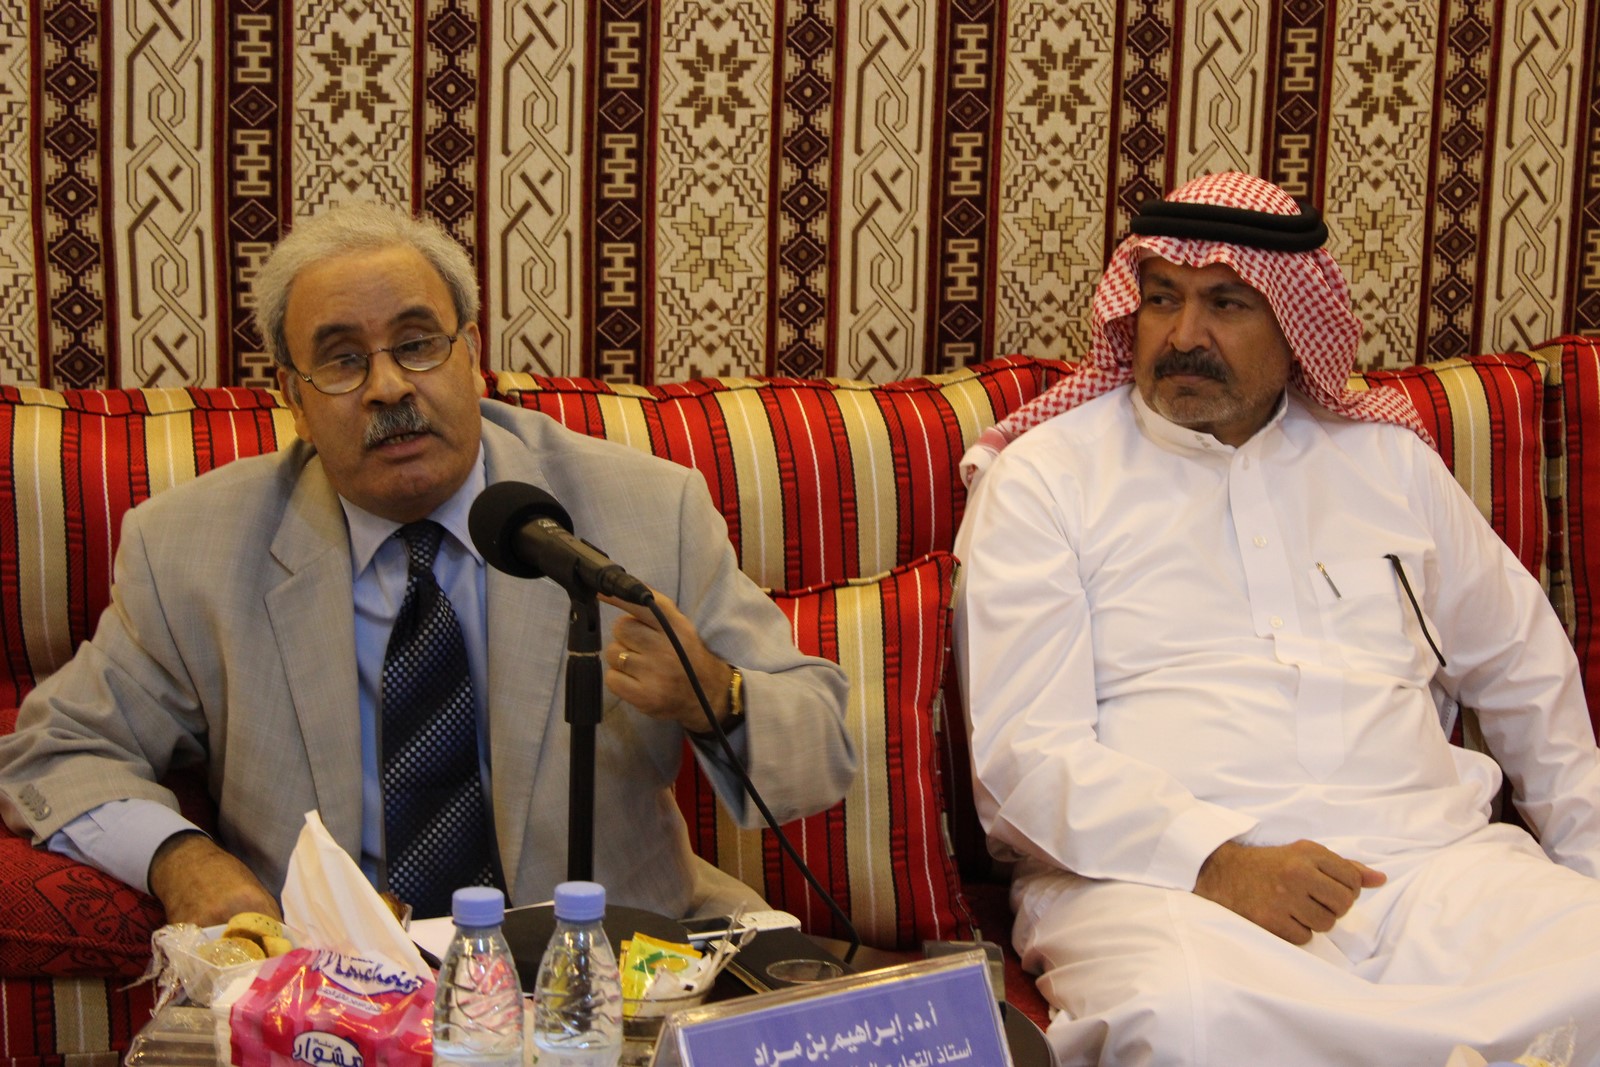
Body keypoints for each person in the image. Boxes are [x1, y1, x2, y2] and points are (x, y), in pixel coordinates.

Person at [0, 200, 855, 927]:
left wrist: (713, 693)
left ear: (470, 354)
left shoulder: (643, 508)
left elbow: (822, 746)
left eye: (417, 343)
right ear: (292, 397)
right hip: (341, 989)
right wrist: (181, 859)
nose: (388, 387)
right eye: (342, 359)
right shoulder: (190, 547)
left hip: (621, 964)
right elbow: (52, 751)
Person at [953, 172, 1600, 1065]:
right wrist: (1216, 859)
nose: (1184, 335)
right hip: (1163, 884)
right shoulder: (1048, 479)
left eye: (1227, 303)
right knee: (1189, 1022)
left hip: (1434, 866)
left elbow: (1527, 672)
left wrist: (1587, 870)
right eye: (1162, 299)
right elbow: (1024, 755)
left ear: (1296, 324)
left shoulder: (1388, 465)